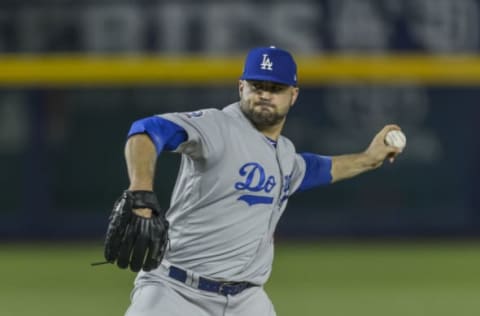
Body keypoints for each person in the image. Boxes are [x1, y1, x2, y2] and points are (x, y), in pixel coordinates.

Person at [107, 46, 404, 316]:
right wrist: (141, 191)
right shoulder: (217, 126)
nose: (264, 94)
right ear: (241, 87)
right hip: (175, 292)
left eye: (275, 88)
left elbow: (316, 168)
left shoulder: (284, 154)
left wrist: (369, 157)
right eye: (257, 85)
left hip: (246, 301)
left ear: (293, 95)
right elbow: (145, 131)